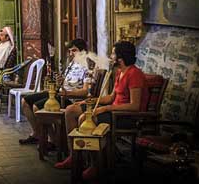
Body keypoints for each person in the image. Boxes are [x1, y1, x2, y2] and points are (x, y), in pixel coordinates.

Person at [55, 40, 147, 175]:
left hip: (124, 116)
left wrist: (105, 108)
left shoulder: (134, 74)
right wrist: (89, 101)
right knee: (71, 110)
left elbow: (135, 105)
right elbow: (110, 98)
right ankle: (74, 157)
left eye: (113, 53)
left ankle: (95, 164)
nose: (111, 56)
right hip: (113, 111)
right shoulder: (119, 72)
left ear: (120, 57)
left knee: (84, 119)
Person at [19, 39, 97, 145]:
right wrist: (60, 81)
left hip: (70, 99)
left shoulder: (88, 66)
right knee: (25, 101)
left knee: (37, 107)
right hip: (61, 93)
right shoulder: (72, 64)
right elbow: (66, 83)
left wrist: (67, 93)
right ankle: (37, 133)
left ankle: (53, 139)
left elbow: (85, 92)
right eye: (69, 51)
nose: (70, 54)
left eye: (74, 51)